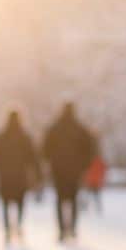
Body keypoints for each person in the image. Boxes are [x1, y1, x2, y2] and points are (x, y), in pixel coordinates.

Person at [42, 102, 96, 242]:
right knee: (73, 199)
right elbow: (90, 149)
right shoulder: (80, 129)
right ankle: (72, 228)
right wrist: (84, 166)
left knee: (60, 199)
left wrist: (51, 163)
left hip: (58, 170)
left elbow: (45, 149)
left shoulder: (54, 129)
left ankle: (61, 230)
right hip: (75, 171)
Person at [0, 109, 42, 243]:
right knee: (20, 202)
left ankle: (7, 229)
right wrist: (37, 172)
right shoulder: (25, 137)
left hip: (5, 175)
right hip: (20, 175)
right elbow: (33, 157)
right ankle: (18, 226)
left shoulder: (1, 137)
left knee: (5, 203)